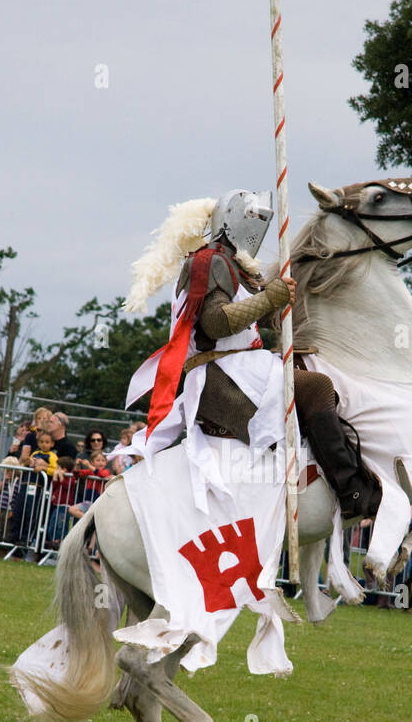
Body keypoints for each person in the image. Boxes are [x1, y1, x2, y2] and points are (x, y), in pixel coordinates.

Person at [126, 189, 380, 518]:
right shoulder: (209, 261)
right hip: (221, 373)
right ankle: (352, 490)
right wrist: (269, 297)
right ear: (230, 220)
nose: (258, 229)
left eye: (264, 222)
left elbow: (257, 319)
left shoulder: (237, 266)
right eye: (254, 219)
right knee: (316, 387)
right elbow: (216, 322)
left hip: (247, 364)